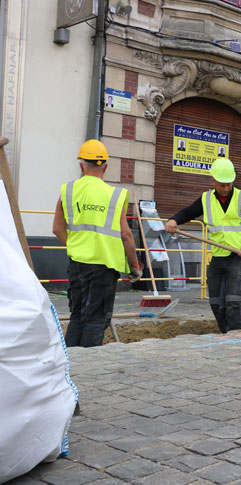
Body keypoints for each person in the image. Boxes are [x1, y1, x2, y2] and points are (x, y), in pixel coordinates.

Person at [52, 139, 142, 347]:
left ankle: (71, 362)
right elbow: (126, 235)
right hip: (105, 265)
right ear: (106, 167)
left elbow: (57, 229)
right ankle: (90, 365)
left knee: (77, 316)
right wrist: (134, 267)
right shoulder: (116, 195)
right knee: (96, 318)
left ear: (81, 165)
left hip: (77, 263)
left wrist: (76, 246)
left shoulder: (67, 190)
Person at [165, 158, 241, 333]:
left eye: (228, 184)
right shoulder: (206, 199)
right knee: (216, 303)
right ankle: (225, 335)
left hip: (240, 257)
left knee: (234, 301)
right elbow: (189, 212)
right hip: (218, 257)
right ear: (213, 181)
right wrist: (174, 220)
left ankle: (238, 337)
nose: (225, 188)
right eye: (222, 185)